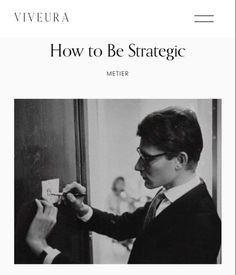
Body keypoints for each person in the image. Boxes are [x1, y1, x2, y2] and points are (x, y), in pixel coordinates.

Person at [26, 107, 221, 264]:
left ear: (179, 160)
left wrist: (43, 248)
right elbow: (123, 226)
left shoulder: (201, 226)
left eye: (147, 158)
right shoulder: (169, 195)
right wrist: (81, 209)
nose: (137, 166)